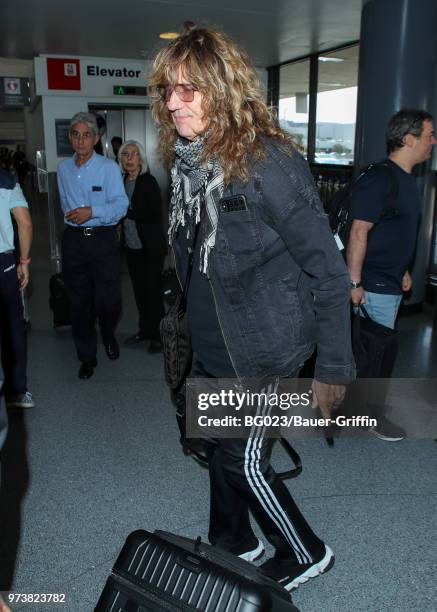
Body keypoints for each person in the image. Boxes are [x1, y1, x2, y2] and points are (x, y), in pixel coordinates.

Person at [149, 23, 354, 592]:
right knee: (217, 445)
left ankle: (306, 551)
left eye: (187, 90)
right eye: (168, 91)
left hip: (267, 348)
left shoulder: (268, 162)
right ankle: (233, 541)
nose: (172, 104)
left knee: (243, 460)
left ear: (221, 89)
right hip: (215, 345)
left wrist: (334, 371)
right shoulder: (190, 167)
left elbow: (328, 271)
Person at [347, 108, 436, 440]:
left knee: (374, 350)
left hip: (390, 279)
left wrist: (405, 269)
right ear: (409, 139)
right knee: (378, 353)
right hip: (372, 284)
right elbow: (359, 231)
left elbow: (394, 230)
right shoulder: (381, 178)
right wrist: (354, 281)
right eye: (429, 135)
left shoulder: (405, 180)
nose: (433, 142)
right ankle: (369, 415)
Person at [57, 113, 128, 379]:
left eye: (86, 134)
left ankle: (108, 333)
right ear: (70, 138)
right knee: (78, 302)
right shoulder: (63, 169)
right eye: (75, 134)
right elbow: (64, 202)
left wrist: (92, 211)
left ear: (96, 139)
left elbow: (121, 206)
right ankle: (87, 357)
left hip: (103, 239)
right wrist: (73, 214)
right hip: (74, 241)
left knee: (108, 301)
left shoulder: (108, 168)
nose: (80, 140)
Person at [119, 140, 166, 352]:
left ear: (141, 159)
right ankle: (145, 329)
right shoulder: (121, 181)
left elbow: (153, 213)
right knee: (139, 291)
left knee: (152, 292)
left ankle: (159, 335)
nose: (129, 158)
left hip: (150, 247)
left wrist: (126, 212)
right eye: (125, 155)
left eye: (133, 154)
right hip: (131, 246)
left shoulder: (149, 182)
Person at [0, 169, 34, 409]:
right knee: (12, 325)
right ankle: (17, 391)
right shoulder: (7, 180)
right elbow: (25, 223)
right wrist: (24, 262)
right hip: (3, 264)